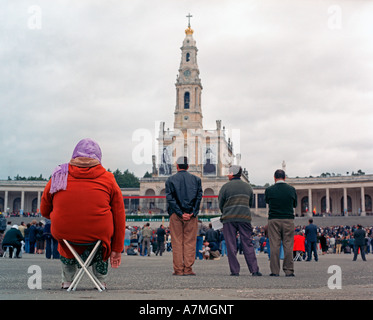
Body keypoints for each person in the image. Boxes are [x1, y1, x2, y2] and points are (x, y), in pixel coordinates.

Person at [40, 138, 126, 289]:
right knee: (101, 239)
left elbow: (44, 210)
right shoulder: (108, 178)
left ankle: (67, 280)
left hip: (64, 232)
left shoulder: (60, 174)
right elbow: (119, 216)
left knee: (65, 240)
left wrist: (59, 216)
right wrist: (117, 249)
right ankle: (100, 280)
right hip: (98, 233)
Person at [218, 165, 261, 276]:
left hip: (229, 218)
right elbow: (250, 203)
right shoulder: (248, 187)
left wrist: (226, 211)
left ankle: (235, 270)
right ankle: (254, 269)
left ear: (232, 173)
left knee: (231, 244)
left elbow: (221, 203)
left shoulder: (225, 187)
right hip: (244, 218)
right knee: (247, 243)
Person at [165, 156, 202, 276]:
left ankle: (178, 269)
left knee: (176, 241)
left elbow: (170, 199)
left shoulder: (170, 180)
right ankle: (188, 268)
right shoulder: (196, 180)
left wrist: (180, 213)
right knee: (190, 242)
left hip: (176, 215)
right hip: (191, 215)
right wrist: (193, 212)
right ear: (187, 166)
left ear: (177, 166)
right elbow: (198, 197)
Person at [265, 169, 297, 277]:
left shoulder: (269, 190)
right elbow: (295, 204)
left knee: (275, 245)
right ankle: (289, 270)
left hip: (274, 219)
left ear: (274, 178)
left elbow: (267, 201)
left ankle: (275, 271)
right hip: (288, 219)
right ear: (285, 178)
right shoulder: (291, 189)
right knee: (288, 245)